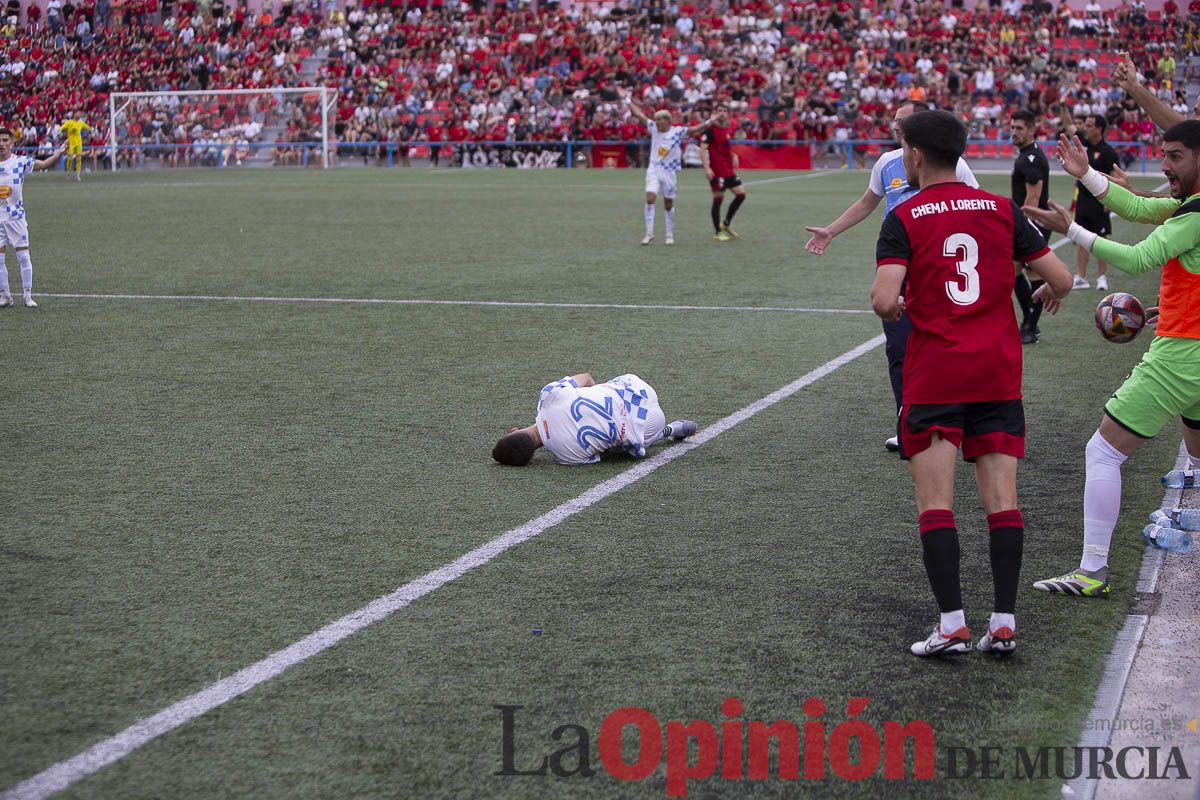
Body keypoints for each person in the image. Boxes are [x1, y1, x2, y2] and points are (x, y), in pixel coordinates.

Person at [870, 110, 1073, 656]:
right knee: (1002, 502)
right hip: (997, 374)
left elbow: (885, 300)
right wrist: (1045, 289)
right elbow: (1060, 278)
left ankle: (953, 623)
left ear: (914, 154)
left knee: (936, 504)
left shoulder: (906, 215)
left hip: (936, 376)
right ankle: (1003, 622)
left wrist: (908, 302)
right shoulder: (1002, 209)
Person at [1024, 123, 1200, 597]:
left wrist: (1072, 229)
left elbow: (1140, 258)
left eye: (1177, 156)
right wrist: (1087, 175)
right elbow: (1142, 207)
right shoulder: (1189, 206)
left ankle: (1091, 572)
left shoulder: (1195, 214)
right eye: (1164, 154)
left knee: (1102, 451)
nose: (1165, 165)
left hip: (1183, 356)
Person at [805, 100, 980, 452]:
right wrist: (831, 232)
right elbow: (867, 203)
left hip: (939, 267)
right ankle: (908, 425)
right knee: (900, 349)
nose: (895, 124)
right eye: (894, 119)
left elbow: (973, 204)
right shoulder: (886, 163)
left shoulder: (952, 163)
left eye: (903, 119)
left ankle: (959, 420)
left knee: (948, 346)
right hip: (896, 266)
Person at [492, 372, 698, 466]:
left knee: (616, 446)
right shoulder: (547, 396)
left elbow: (601, 455)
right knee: (602, 390)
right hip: (638, 388)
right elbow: (587, 377)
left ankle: (669, 430)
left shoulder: (566, 456)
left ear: (532, 456)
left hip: (649, 427)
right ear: (514, 430)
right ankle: (666, 430)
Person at [622, 90, 716, 246]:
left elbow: (694, 130)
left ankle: (669, 233)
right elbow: (639, 115)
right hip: (654, 169)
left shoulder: (677, 132)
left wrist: (708, 122)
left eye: (659, 119)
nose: (656, 122)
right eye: (656, 119)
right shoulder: (653, 128)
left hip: (669, 172)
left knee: (668, 204)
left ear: (667, 121)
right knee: (650, 198)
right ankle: (649, 233)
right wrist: (627, 99)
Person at [0, 129, 67, 308]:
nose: (1, 144)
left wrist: (59, 153)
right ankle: (5, 296)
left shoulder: (20, 162)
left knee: (23, 256)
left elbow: (43, 164)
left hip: (16, 218)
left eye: (5, 140)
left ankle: (27, 295)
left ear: (11, 142)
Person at [1060, 110, 1120, 290]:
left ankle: (1102, 278)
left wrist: (1111, 202)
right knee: (1082, 238)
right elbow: (1069, 126)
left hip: (1101, 201)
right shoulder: (1083, 144)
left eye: (1089, 125)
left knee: (1101, 239)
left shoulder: (1109, 152)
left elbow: (1114, 177)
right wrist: (1063, 106)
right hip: (1084, 200)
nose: (1084, 128)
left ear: (1099, 129)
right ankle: (1081, 277)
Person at [1010, 109, 1053, 345]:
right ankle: (1028, 321)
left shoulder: (1031, 158)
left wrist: (1023, 228)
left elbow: (1033, 198)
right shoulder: (1026, 155)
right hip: (1025, 224)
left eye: (1019, 128)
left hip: (1032, 224)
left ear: (1031, 130)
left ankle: (1030, 326)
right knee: (1015, 270)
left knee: (1033, 272)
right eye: (1012, 127)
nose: (1014, 132)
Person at [700, 104, 747, 242]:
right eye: (719, 111)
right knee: (718, 199)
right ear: (715, 113)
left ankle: (726, 223)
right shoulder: (709, 131)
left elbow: (723, 148)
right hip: (717, 171)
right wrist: (707, 168)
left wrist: (733, 155)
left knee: (741, 195)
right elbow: (702, 149)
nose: (722, 113)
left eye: (725, 111)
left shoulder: (726, 129)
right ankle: (717, 231)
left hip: (728, 170)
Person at [59, 113, 92, 182]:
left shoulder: (80, 123)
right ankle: (68, 172)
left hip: (79, 143)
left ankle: (78, 175)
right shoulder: (69, 122)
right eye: (77, 114)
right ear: (74, 115)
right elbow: (63, 127)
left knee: (78, 159)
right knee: (70, 158)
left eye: (79, 115)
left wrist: (91, 129)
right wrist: (60, 130)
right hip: (71, 143)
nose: (79, 115)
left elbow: (87, 127)